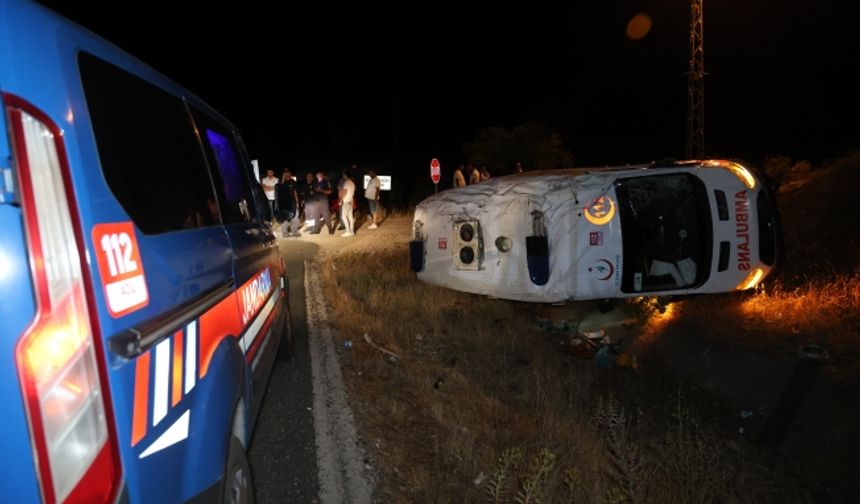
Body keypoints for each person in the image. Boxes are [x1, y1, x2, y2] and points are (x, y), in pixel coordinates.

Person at [276, 168, 301, 237]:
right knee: (284, 218)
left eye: (288, 172)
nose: (287, 174)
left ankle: (294, 231)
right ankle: (285, 233)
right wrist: (283, 179)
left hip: (292, 202)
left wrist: (297, 202)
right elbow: (279, 189)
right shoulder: (281, 182)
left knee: (296, 217)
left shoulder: (293, 181)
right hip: (284, 204)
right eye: (285, 173)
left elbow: (295, 192)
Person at [340, 170, 356, 236]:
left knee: (343, 216)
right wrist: (353, 202)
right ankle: (352, 231)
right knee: (350, 217)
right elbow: (352, 194)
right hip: (350, 201)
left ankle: (348, 231)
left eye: (343, 175)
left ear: (345, 175)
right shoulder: (352, 183)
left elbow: (345, 192)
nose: (342, 176)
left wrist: (341, 200)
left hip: (346, 201)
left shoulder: (346, 182)